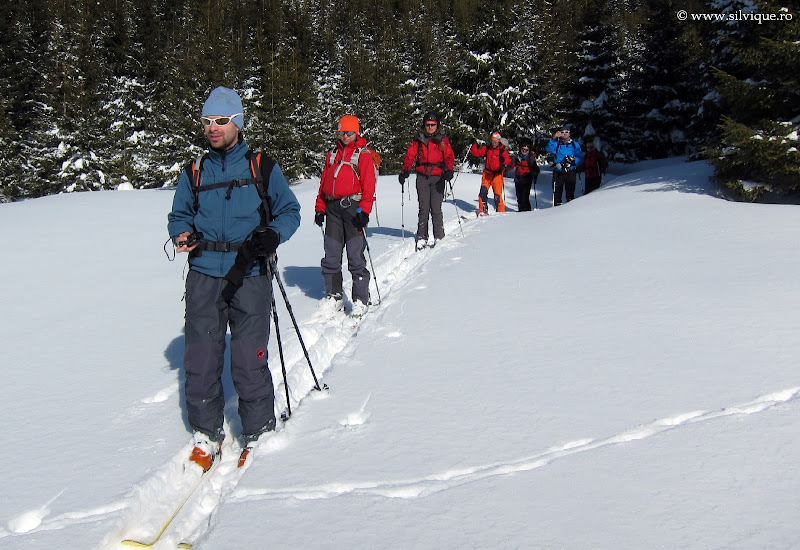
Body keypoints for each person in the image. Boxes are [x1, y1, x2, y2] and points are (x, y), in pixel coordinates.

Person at [167, 86, 301, 471]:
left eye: (221, 121)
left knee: (247, 357)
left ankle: (258, 430)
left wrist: (273, 234)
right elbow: (179, 214)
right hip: (204, 274)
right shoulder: (193, 171)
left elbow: (289, 210)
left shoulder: (261, 166)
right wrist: (181, 232)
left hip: (251, 273)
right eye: (207, 121)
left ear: (237, 122)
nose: (213, 128)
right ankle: (206, 434)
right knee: (201, 357)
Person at [314, 115, 376, 317]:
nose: (346, 136)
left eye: (349, 132)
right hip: (332, 209)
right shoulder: (332, 154)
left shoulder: (363, 155)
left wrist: (365, 211)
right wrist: (320, 207)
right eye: (342, 132)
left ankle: (360, 299)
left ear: (356, 132)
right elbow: (324, 183)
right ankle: (335, 295)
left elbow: (369, 186)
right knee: (331, 254)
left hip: (353, 208)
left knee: (355, 255)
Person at [399, 111, 455, 250]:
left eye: (433, 125)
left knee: (436, 208)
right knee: (423, 208)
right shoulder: (418, 139)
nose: (430, 127)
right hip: (422, 176)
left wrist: (449, 170)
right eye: (428, 124)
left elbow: (449, 156)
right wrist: (405, 170)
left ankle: (439, 236)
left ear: (437, 125)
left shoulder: (442, 139)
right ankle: (422, 237)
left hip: (438, 176)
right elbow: (410, 155)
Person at [470, 130, 511, 215]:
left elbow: (508, 161)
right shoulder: (488, 148)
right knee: (482, 193)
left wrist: (504, 164)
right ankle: (483, 211)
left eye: (495, 142)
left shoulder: (502, 151)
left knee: (497, 196)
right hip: (487, 174)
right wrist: (473, 144)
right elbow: (476, 152)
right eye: (492, 141)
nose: (494, 143)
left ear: (499, 141)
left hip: (497, 175)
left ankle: (501, 213)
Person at [546, 126, 583, 206]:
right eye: (563, 132)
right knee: (557, 193)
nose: (565, 134)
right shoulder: (557, 144)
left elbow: (580, 157)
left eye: (567, 132)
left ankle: (569, 211)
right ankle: (556, 209)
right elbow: (549, 149)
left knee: (570, 194)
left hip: (570, 171)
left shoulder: (574, 144)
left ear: (569, 133)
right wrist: (554, 137)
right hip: (559, 170)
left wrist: (573, 160)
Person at [509, 138, 540, 211]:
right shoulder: (517, 157)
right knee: (519, 197)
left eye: (526, 150)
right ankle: (521, 211)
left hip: (526, 180)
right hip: (518, 179)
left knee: (524, 198)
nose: (524, 151)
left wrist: (534, 172)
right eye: (523, 149)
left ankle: (527, 212)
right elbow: (511, 165)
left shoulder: (530, 158)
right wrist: (504, 169)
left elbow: (536, 169)